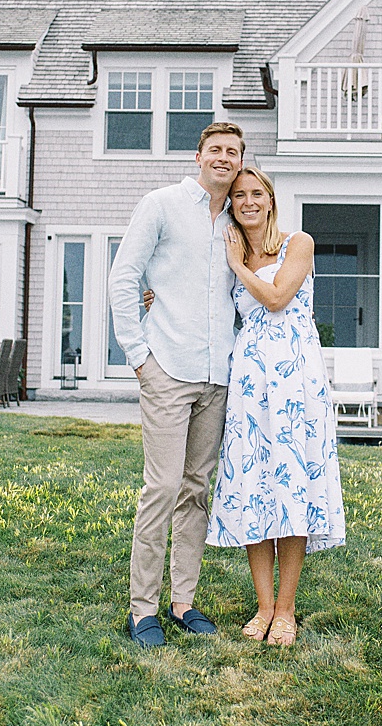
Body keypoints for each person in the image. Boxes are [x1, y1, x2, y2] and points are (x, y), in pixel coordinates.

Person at [107, 121, 245, 648]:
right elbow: (125, 277)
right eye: (216, 150)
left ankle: (183, 601)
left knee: (195, 491)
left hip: (217, 374)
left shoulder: (237, 219)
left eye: (233, 152)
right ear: (198, 156)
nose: (224, 159)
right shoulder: (161, 205)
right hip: (166, 366)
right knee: (161, 488)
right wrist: (138, 355)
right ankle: (141, 609)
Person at [206, 165, 345, 645]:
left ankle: (286, 609)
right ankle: (263, 607)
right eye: (239, 195)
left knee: (292, 482)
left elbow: (278, 297)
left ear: (269, 199)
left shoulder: (297, 243)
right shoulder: (227, 251)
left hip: (295, 375)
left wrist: (240, 268)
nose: (247, 201)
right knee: (256, 483)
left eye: (256, 193)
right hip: (250, 378)